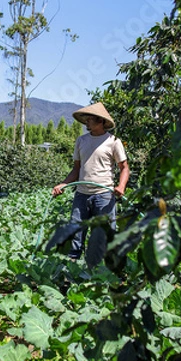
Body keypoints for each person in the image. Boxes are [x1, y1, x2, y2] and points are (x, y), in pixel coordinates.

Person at [52, 102, 129, 262]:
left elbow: (124, 168)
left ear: (100, 121)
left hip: (104, 196)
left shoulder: (113, 141)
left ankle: (105, 273)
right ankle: (70, 272)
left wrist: (121, 186)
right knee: (75, 234)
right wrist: (64, 184)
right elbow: (76, 169)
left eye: (90, 119)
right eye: (85, 119)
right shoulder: (81, 141)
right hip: (81, 195)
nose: (86, 122)